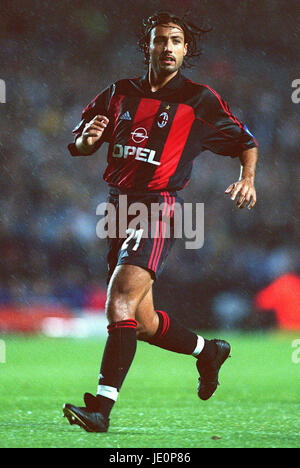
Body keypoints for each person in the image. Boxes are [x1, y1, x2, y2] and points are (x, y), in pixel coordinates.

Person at [63, 11, 258, 433]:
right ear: (147, 47)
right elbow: (78, 144)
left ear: (185, 50)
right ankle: (208, 350)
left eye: (175, 41)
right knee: (144, 323)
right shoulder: (118, 93)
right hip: (117, 209)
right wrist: (88, 139)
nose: (167, 47)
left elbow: (246, 141)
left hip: (158, 206)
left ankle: (101, 408)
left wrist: (247, 179)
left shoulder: (199, 98)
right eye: (159, 40)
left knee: (117, 303)